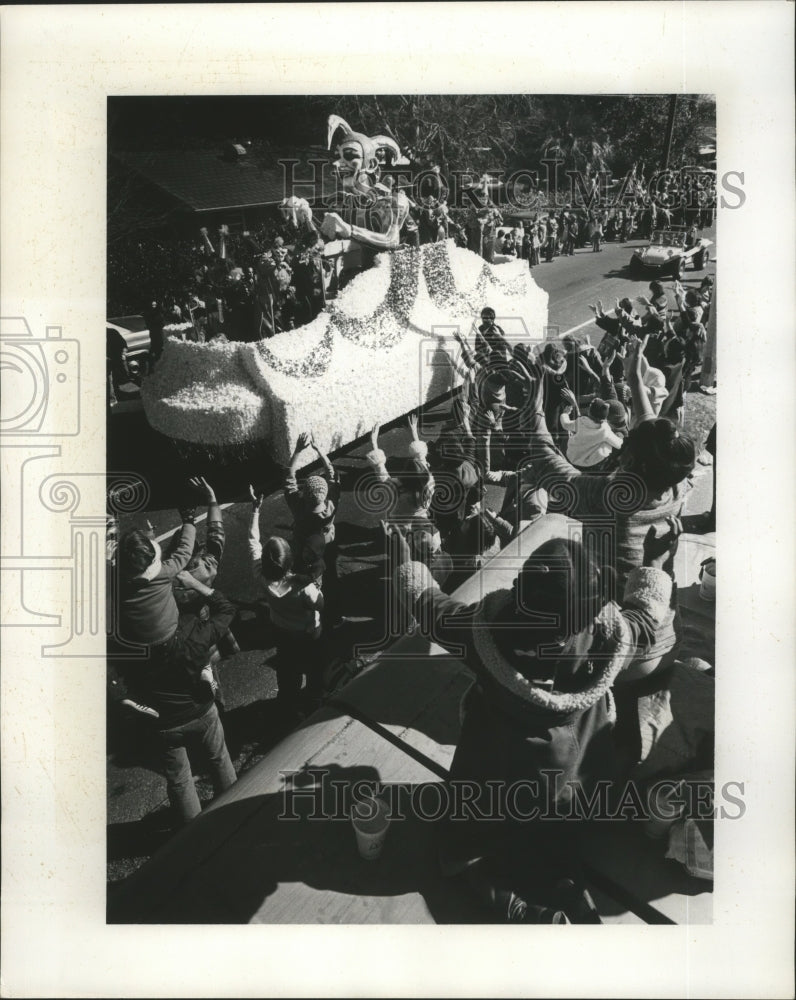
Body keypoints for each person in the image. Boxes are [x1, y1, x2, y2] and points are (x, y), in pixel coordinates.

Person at [391, 516, 682, 922]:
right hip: (572, 778)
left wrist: (407, 566)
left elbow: (430, 608)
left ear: (518, 591)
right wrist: (656, 564)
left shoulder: (484, 633)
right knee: (554, 838)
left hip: (494, 770)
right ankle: (566, 893)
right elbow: (646, 621)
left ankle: (514, 906)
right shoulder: (607, 640)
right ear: (589, 611)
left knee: (465, 842)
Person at [114, 569, 238, 826]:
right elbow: (226, 609)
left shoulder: (130, 641)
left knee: (180, 779)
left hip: (164, 721)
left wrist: (120, 694)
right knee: (219, 759)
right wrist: (196, 585)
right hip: (201, 709)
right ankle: (234, 815)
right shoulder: (191, 630)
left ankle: (194, 835)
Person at [248, 491, 325, 717]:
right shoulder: (303, 587)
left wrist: (255, 510)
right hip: (307, 632)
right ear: (290, 560)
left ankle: (288, 705)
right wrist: (317, 586)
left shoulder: (260, 575)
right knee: (314, 667)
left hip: (280, 628)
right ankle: (314, 700)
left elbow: (252, 540)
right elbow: (319, 604)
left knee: (287, 668)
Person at [559, 396, 624, 471]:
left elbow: (566, 425)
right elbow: (619, 445)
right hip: (588, 464)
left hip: (571, 456)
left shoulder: (580, 421)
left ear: (589, 412)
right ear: (605, 418)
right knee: (607, 444)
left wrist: (565, 414)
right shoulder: (605, 431)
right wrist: (620, 437)